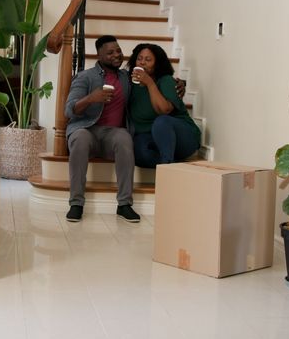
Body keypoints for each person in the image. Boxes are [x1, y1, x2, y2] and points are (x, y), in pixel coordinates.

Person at [63, 35, 140, 223]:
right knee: (80, 138)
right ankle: (76, 203)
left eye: (119, 51)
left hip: (112, 134)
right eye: (110, 52)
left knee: (124, 137)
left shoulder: (126, 77)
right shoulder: (85, 76)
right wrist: (91, 98)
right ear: (99, 55)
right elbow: (69, 109)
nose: (117, 55)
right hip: (86, 129)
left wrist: (178, 84)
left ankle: (124, 204)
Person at [126, 43, 201, 168]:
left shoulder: (166, 81)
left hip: (180, 137)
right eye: (139, 58)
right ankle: (173, 164)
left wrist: (149, 83)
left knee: (162, 122)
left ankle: (167, 167)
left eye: (148, 59)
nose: (142, 62)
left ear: (157, 64)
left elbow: (164, 110)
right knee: (139, 154)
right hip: (149, 137)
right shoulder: (128, 82)